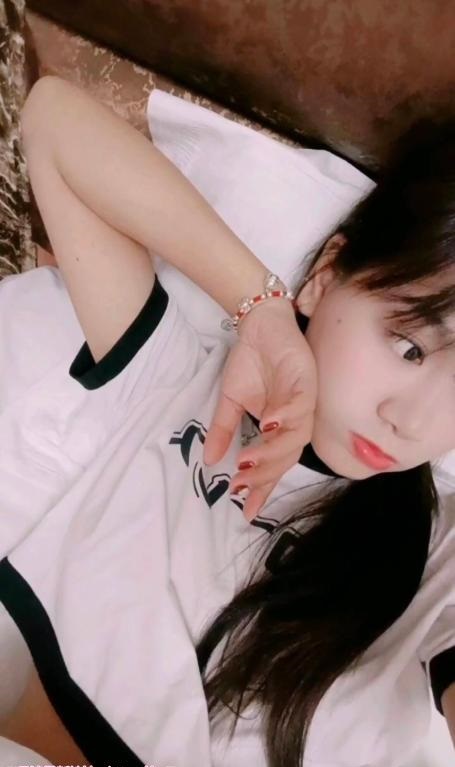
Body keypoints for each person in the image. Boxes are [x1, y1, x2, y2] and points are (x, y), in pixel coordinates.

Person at [0, 74, 454, 767]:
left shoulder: (435, 555)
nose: (412, 421)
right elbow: (52, 121)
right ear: (326, 274)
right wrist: (260, 310)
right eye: (409, 346)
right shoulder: (178, 381)